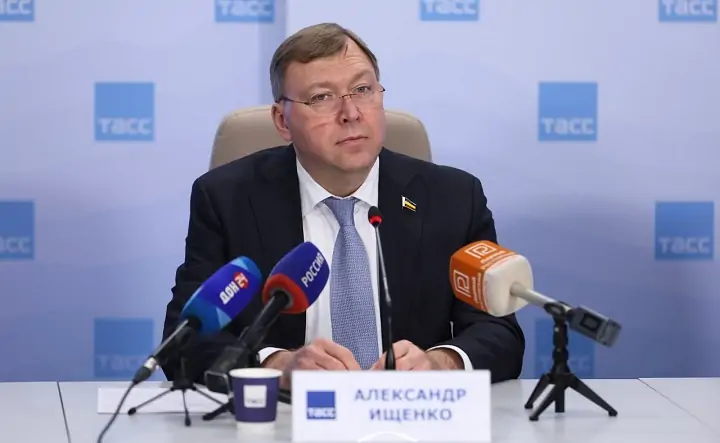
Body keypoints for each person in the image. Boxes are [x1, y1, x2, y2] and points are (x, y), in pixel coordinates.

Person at [161, 23, 525, 388]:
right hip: (288, 414)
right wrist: (277, 367)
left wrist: (441, 363)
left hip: (410, 412)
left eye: (363, 90)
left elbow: (498, 332)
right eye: (322, 97)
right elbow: (184, 340)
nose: (351, 113)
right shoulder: (228, 200)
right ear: (282, 120)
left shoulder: (452, 197)